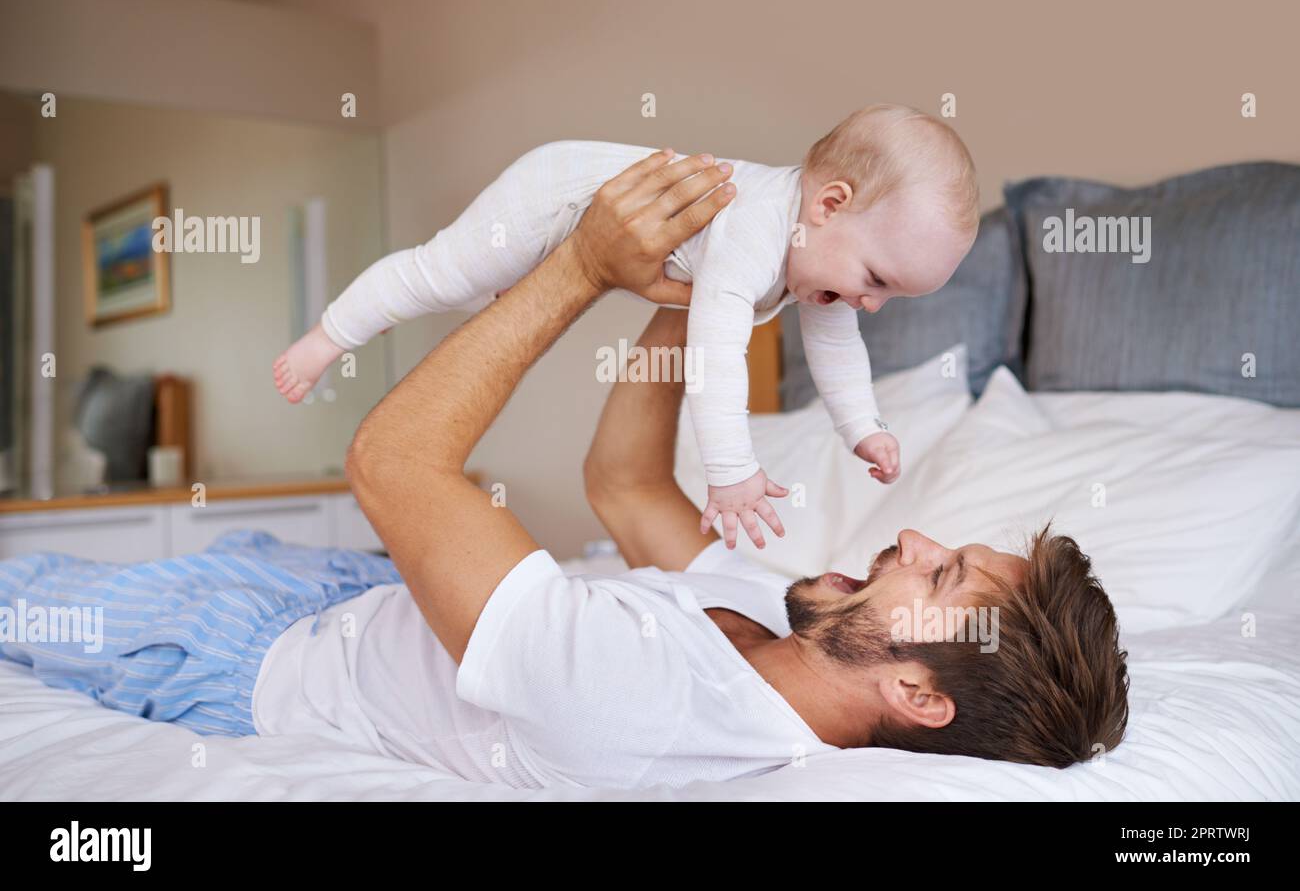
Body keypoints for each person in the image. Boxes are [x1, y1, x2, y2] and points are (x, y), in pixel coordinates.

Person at [0, 152, 1128, 788]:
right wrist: (698, 282)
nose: (915, 541)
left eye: (940, 581)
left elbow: (389, 462)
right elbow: (626, 488)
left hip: (249, 649)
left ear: (916, 699)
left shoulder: (656, 707)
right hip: (354, 597)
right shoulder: (785, 615)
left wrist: (583, 267)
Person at [275, 105, 981, 547]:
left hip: (586, 216)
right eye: (878, 280)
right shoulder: (757, 232)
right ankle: (329, 335)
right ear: (830, 202)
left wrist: (863, 426)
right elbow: (714, 357)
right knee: (444, 274)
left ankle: (449, 306)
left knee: (487, 296)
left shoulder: (820, 259)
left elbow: (836, 346)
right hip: (552, 194)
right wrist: (730, 471)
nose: (872, 305)